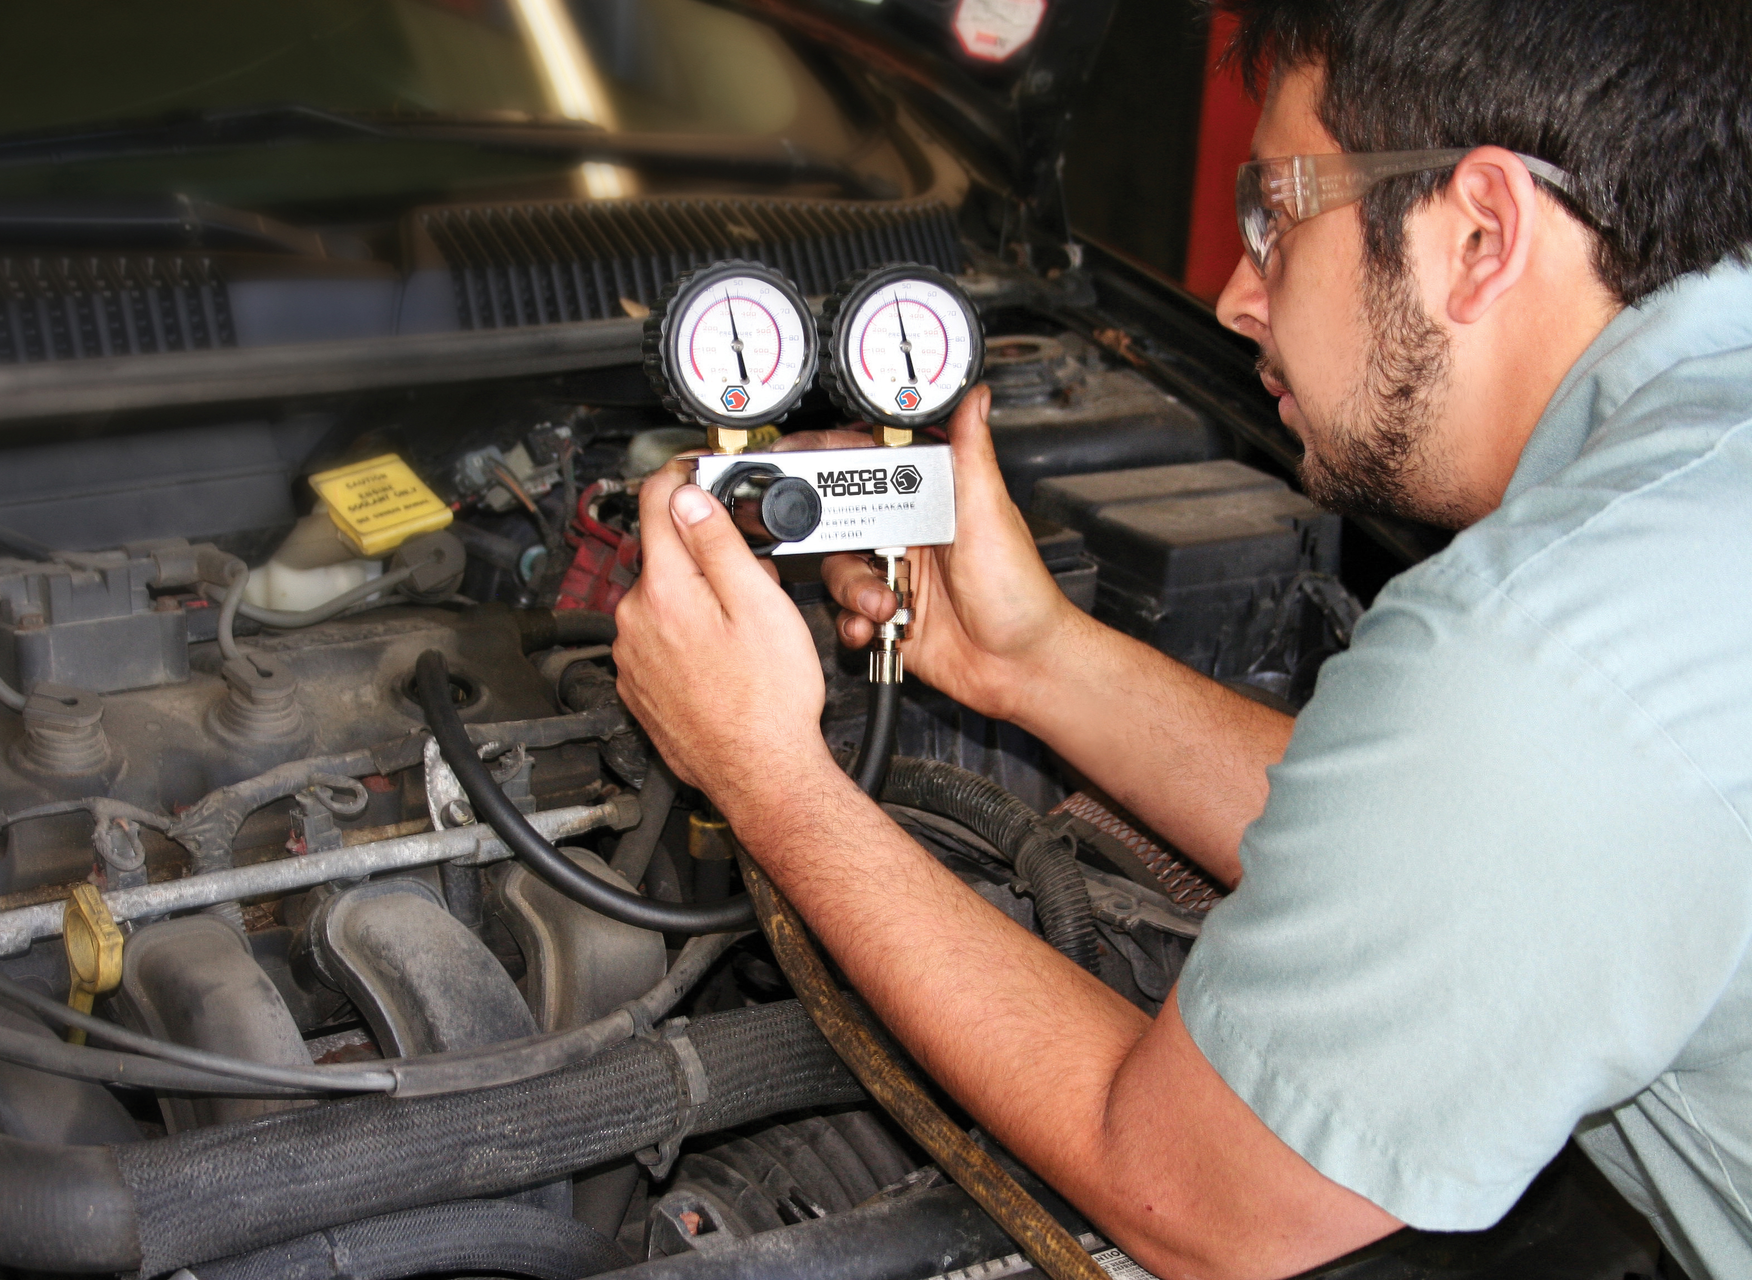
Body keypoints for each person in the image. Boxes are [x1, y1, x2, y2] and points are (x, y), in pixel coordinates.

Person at [611, 2, 1752, 1276]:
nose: (1234, 294)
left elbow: (1194, 1192)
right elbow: (1448, 841)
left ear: (1481, 233)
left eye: (1276, 215)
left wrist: (768, 775)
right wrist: (1031, 655)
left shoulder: (1541, 647)